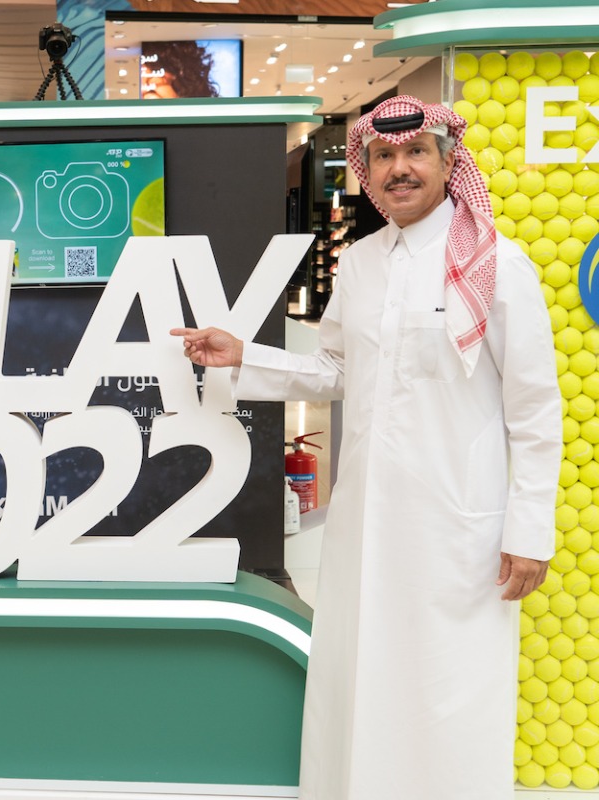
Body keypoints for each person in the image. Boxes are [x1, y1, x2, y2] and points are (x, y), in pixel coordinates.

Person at [172, 96, 559, 800]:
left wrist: (529, 529)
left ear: (449, 162)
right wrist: (242, 356)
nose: (399, 169)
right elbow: (337, 371)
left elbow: (533, 409)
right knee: (362, 677)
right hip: (366, 526)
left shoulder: (499, 265)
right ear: (366, 171)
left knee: (451, 686)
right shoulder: (361, 263)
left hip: (460, 528)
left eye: (415, 153)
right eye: (383, 157)